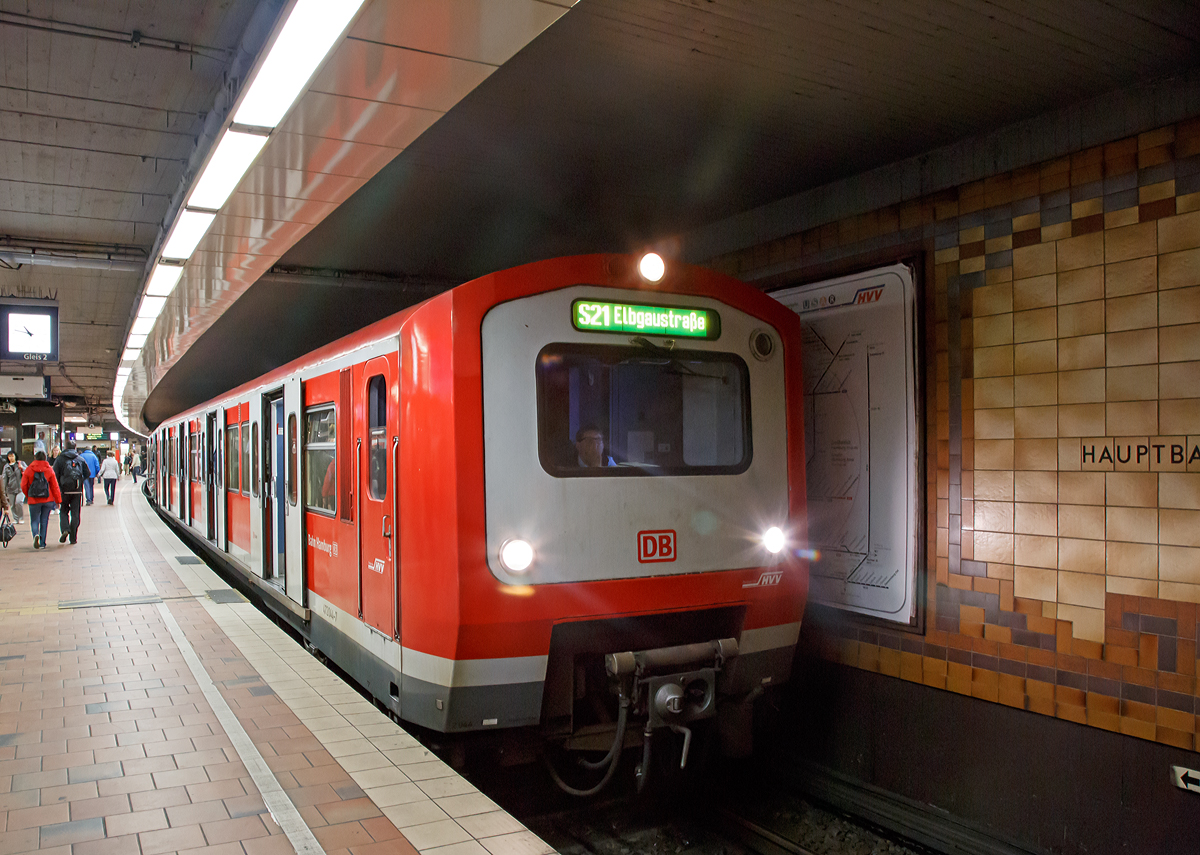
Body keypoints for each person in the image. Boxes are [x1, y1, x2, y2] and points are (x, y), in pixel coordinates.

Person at [21, 450, 61, 549]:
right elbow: (55, 486)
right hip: (48, 499)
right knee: (44, 520)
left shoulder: (29, 469)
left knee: (34, 520)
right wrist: (58, 500)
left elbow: (23, 485)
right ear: (45, 458)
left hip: (33, 500)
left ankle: (36, 535)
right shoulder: (49, 469)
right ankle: (42, 543)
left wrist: (28, 495)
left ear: (35, 458)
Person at [52, 440, 88, 544]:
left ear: (65, 447)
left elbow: (55, 474)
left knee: (63, 511)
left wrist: (59, 485)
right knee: (75, 514)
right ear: (75, 447)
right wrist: (80, 481)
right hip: (77, 491)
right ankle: (73, 538)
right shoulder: (80, 459)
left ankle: (65, 529)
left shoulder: (60, 459)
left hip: (64, 490)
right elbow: (87, 473)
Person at [3, 450, 25, 526]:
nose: (11, 458)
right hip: (10, 488)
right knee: (12, 505)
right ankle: (16, 519)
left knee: (19, 502)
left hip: (20, 488)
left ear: (15, 456)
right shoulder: (6, 467)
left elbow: (28, 471)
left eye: (12, 456)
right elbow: (4, 478)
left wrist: (22, 468)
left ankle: (21, 518)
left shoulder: (20, 463)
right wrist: (4, 489)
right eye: (9, 456)